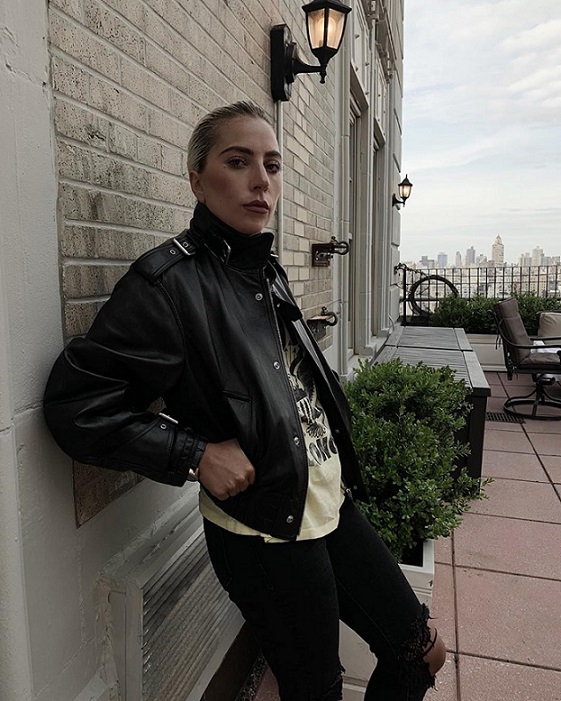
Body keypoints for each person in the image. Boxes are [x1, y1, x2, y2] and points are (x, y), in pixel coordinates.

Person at [44, 101, 446, 700]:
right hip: (264, 531)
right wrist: (194, 453)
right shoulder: (166, 285)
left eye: (272, 165)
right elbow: (76, 405)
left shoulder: (264, 267)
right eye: (238, 162)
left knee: (421, 651)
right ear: (197, 180)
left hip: (324, 501)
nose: (262, 181)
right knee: (316, 688)